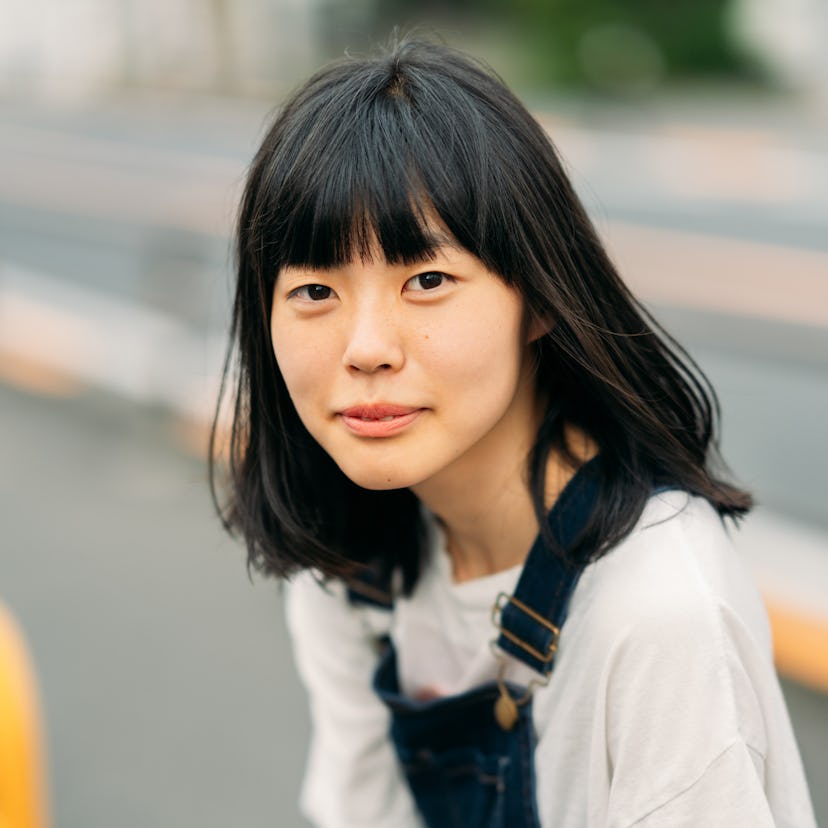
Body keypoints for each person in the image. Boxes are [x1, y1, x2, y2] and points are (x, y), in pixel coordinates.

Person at [210, 38, 816, 828]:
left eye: (427, 281)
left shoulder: (658, 607)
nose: (364, 348)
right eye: (315, 290)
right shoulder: (351, 566)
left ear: (540, 297)